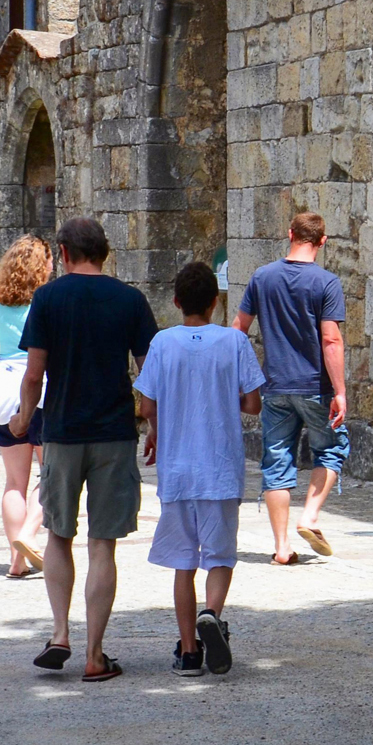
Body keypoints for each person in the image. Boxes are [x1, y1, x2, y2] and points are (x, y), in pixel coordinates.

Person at [10, 216, 158, 682]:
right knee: (102, 545)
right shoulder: (130, 299)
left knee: (57, 533)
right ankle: (96, 654)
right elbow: (148, 375)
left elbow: (34, 373)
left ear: (65, 252)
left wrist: (22, 417)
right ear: (104, 253)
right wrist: (153, 423)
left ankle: (60, 634)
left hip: (62, 430)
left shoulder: (48, 298)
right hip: (114, 431)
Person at [136, 261, 263, 675]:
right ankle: (213, 614)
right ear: (215, 302)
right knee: (220, 555)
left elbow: (147, 405)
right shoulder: (234, 342)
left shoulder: (162, 343)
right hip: (220, 465)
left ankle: (189, 650)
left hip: (178, 469)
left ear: (175, 302)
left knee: (183, 562)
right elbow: (252, 403)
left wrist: (157, 431)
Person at [233, 210, 348, 565]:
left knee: (276, 461)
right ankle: (310, 516)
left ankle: (282, 547)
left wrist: (245, 377)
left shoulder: (262, 277)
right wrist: (340, 391)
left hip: (275, 386)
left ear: (290, 234)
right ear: (323, 241)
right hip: (315, 387)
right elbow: (331, 340)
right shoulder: (326, 283)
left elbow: (238, 330)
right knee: (331, 449)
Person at [0, 235, 51, 579]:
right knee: (49, 473)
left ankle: (16, 559)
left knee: (13, 482)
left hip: (3, 391)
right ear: (42, 266)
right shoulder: (46, 303)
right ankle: (28, 535)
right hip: (41, 389)